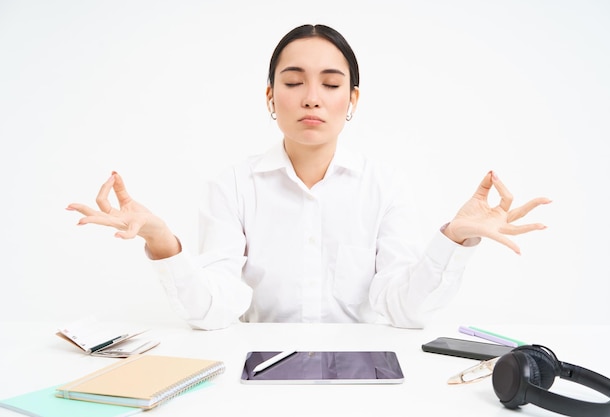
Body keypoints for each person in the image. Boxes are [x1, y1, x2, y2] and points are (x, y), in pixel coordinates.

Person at [67, 24, 550, 330]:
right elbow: (214, 310)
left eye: (331, 84)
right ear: (271, 98)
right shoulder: (232, 186)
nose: (312, 97)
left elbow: (403, 310)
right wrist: (160, 240)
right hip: (256, 374)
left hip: (366, 375)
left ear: (352, 100)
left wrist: (454, 238)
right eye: (293, 83)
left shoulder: (384, 186)